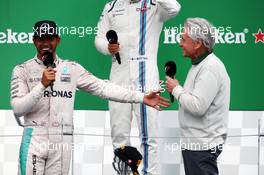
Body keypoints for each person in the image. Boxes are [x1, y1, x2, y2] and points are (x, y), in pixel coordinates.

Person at [10, 20, 170, 175]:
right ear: (33, 41)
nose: (45, 43)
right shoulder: (22, 70)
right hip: (34, 138)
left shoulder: (71, 68)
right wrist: (42, 85)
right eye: (40, 39)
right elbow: (18, 109)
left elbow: (103, 88)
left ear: (58, 40)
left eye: (50, 38)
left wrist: (141, 97)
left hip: (62, 140)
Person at [95, 0, 181, 174]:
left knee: (149, 134)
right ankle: (124, 172)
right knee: (119, 134)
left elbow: (175, 8)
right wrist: (107, 47)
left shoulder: (154, 4)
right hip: (119, 73)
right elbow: (99, 38)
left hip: (145, 73)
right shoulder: (111, 6)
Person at [166, 17, 230, 175]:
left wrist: (176, 89)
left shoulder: (209, 68)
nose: (180, 43)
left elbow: (197, 106)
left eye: (183, 39)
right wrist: (178, 89)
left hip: (202, 146)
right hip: (198, 145)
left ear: (197, 43)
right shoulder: (201, 65)